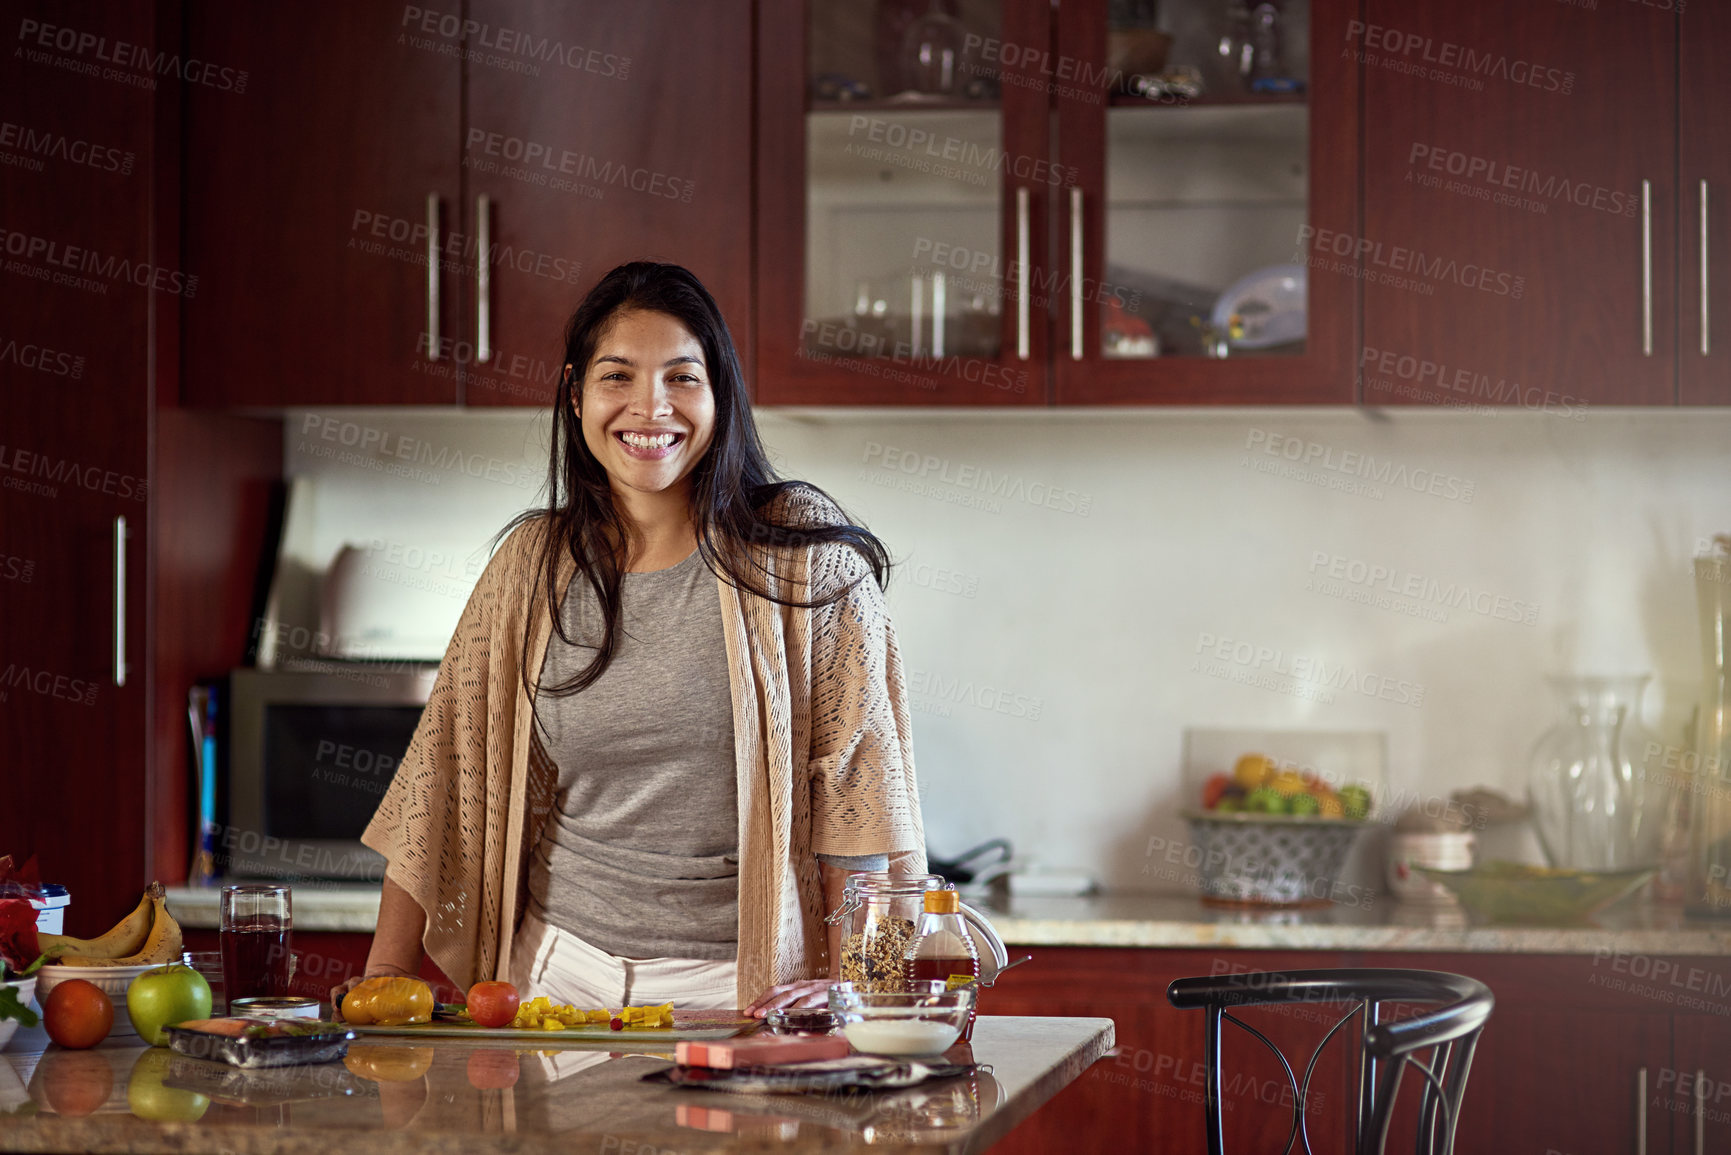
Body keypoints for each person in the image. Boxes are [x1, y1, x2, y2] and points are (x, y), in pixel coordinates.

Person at [329, 262, 925, 1018]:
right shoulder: (531, 565)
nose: (651, 406)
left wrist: (856, 993)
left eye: (682, 378)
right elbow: (443, 771)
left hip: (739, 990)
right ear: (576, 394)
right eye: (619, 376)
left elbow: (856, 789)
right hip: (553, 979)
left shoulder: (803, 559)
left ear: (719, 397)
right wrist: (383, 971)